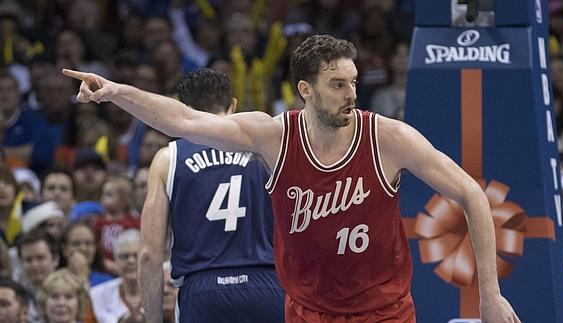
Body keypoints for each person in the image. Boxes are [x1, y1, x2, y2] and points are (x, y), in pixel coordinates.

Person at [63, 34, 520, 322]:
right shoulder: (275, 137)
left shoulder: (389, 138)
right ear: (306, 90)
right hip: (306, 311)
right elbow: (184, 121)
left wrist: (489, 296)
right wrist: (117, 92)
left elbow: (471, 195)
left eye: (354, 83)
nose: (351, 94)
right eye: (337, 85)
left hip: (383, 312)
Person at [138, 68, 284, 322]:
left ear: (180, 109)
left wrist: (153, 319)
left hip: (202, 291)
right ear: (233, 105)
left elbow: (149, 255)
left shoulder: (167, 159)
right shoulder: (267, 151)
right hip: (266, 285)